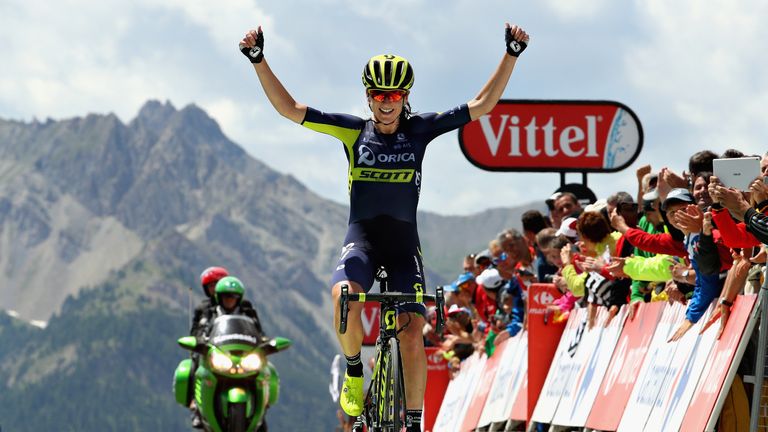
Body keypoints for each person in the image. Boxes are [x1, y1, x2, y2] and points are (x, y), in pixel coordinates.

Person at [239, 21, 530, 431]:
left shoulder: (420, 129)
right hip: (362, 240)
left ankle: (413, 422)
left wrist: (511, 55)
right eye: (378, 94)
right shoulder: (353, 131)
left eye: (394, 94)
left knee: (412, 333)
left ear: (405, 96)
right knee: (344, 296)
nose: (386, 102)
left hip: (402, 247)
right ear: (368, 96)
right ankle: (355, 371)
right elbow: (290, 109)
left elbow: (481, 105)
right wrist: (258, 60)